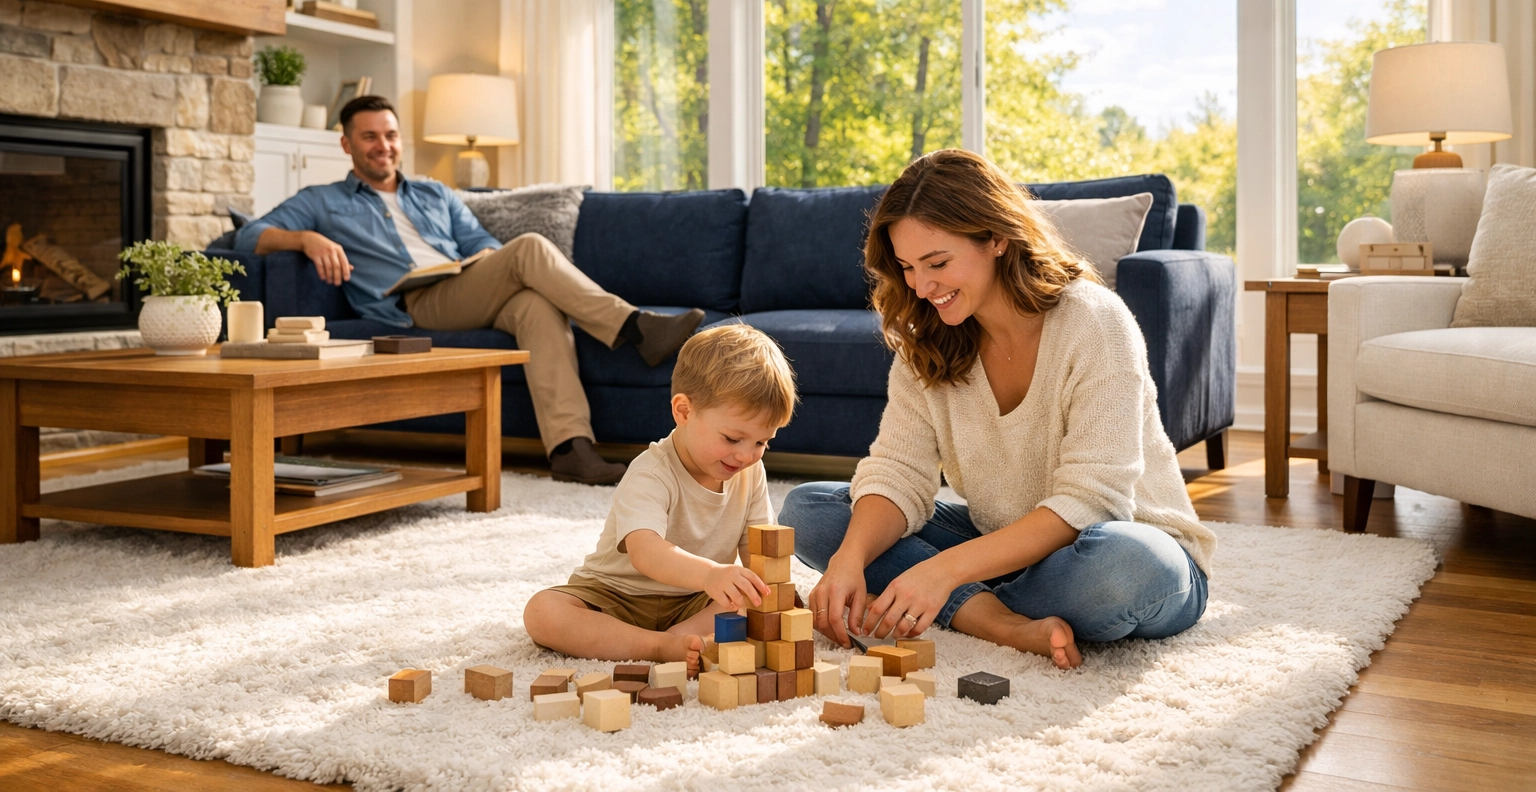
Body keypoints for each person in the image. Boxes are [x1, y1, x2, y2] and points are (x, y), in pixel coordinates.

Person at [779, 149, 1215, 669]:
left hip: (1121, 543)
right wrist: (849, 562)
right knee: (810, 512)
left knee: (1129, 568)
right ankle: (994, 617)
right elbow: (898, 472)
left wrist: (942, 572)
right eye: (908, 267)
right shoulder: (928, 341)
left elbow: (1093, 501)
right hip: (998, 543)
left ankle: (955, 600)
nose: (922, 286)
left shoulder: (1096, 322)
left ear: (996, 238)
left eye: (938, 263)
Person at [235, 95, 704, 485]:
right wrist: (306, 238)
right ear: (346, 143)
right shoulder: (322, 201)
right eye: (370, 136)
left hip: (466, 285)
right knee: (529, 249)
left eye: (391, 135)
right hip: (415, 301)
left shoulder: (434, 193)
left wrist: (479, 259)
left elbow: (480, 242)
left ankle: (570, 450)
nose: (384, 146)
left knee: (536, 307)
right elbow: (248, 236)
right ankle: (637, 328)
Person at [522, 325, 797, 675]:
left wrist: (773, 593)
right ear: (683, 411)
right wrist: (711, 574)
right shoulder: (651, 473)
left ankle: (681, 638)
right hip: (617, 596)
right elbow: (646, 551)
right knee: (543, 612)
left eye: (761, 443)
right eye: (732, 438)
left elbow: (758, 550)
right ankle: (655, 645)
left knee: (753, 598)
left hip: (693, 601)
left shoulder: (750, 474)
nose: (746, 456)